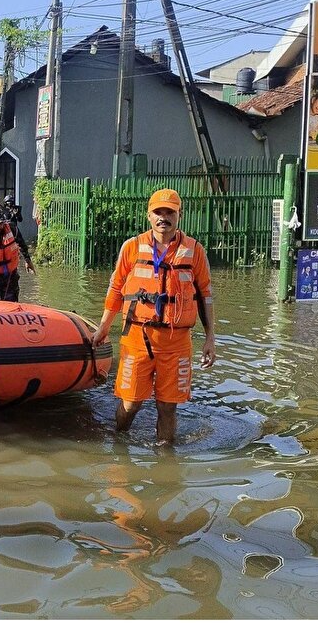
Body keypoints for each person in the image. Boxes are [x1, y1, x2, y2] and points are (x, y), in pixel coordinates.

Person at [90, 189, 216, 445]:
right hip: (137, 338)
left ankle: (166, 459)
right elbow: (115, 290)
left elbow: (205, 295)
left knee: (168, 407)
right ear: (148, 215)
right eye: (158, 212)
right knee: (131, 404)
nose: (163, 217)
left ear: (180, 215)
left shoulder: (194, 251)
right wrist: (103, 327)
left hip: (176, 342)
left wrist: (210, 338)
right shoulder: (131, 247)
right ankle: (119, 444)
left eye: (170, 212)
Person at [0, 195, 35, 301]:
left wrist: (27, 260)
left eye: (11, 202)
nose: (9, 204)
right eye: (8, 202)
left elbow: (20, 219)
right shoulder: (2, 212)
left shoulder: (15, 214)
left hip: (13, 235)